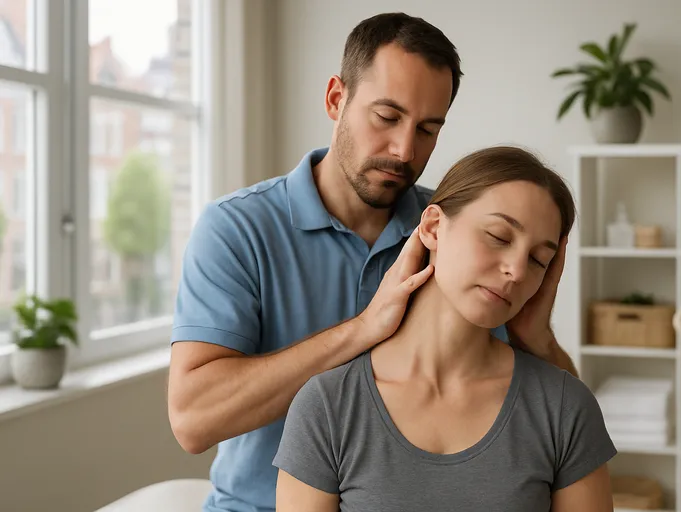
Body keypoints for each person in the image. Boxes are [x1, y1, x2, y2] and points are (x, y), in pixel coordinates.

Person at [168, 12, 579, 512]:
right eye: (387, 117)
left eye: (428, 129)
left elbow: (567, 436)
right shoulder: (237, 229)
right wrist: (362, 331)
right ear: (336, 99)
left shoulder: (453, 228)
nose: (405, 150)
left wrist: (538, 340)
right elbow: (193, 422)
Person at [272, 146, 617, 511]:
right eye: (499, 237)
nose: (517, 270)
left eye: (538, 260)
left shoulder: (564, 407)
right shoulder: (327, 406)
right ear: (434, 227)